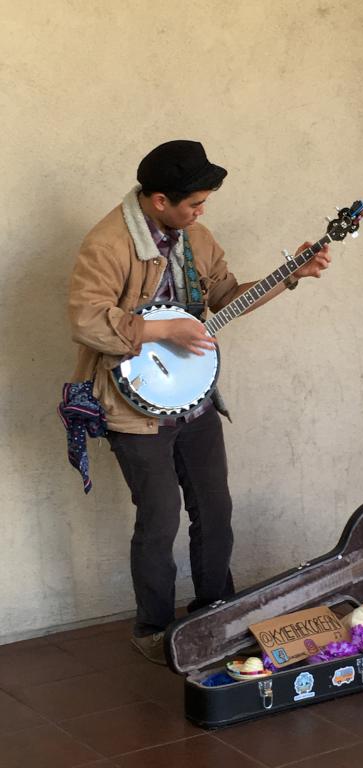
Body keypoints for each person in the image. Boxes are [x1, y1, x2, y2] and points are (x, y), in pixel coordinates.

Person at [68, 140, 331, 664]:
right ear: (159, 200)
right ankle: (153, 628)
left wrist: (291, 276)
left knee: (215, 509)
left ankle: (216, 610)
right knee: (160, 517)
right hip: (131, 408)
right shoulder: (108, 242)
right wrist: (160, 329)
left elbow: (228, 297)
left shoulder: (197, 238)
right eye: (194, 204)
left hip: (195, 400)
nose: (201, 213)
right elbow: (85, 317)